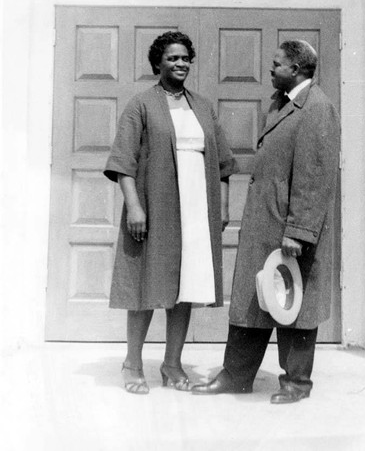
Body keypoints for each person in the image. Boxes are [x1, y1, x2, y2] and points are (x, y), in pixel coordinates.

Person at [192, 40, 340, 404]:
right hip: (264, 224)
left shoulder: (317, 109)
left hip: (292, 230)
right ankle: (237, 376)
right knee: (250, 300)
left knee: (296, 305)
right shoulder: (281, 104)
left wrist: (299, 231)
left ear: (298, 69)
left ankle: (296, 385)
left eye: (277, 64)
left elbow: (315, 177)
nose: (270, 70)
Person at [104, 31, 237, 394]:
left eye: (185, 58)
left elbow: (223, 164)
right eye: (172, 58)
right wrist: (134, 206)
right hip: (157, 206)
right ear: (158, 63)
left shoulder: (204, 106)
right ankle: (132, 363)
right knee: (148, 284)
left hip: (198, 208)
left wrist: (222, 207)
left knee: (187, 285)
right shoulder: (141, 104)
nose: (180, 64)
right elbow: (123, 163)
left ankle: (172, 363)